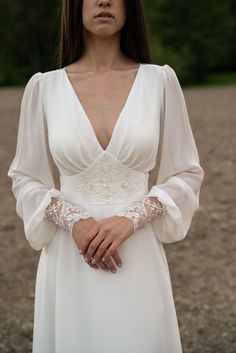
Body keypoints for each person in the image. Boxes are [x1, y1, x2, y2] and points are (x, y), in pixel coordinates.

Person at [8, 0, 204, 352]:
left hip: (138, 254)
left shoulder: (159, 81)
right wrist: (72, 220)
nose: (103, 1)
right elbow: (25, 177)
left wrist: (132, 217)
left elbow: (187, 172)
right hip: (70, 258)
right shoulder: (43, 88)